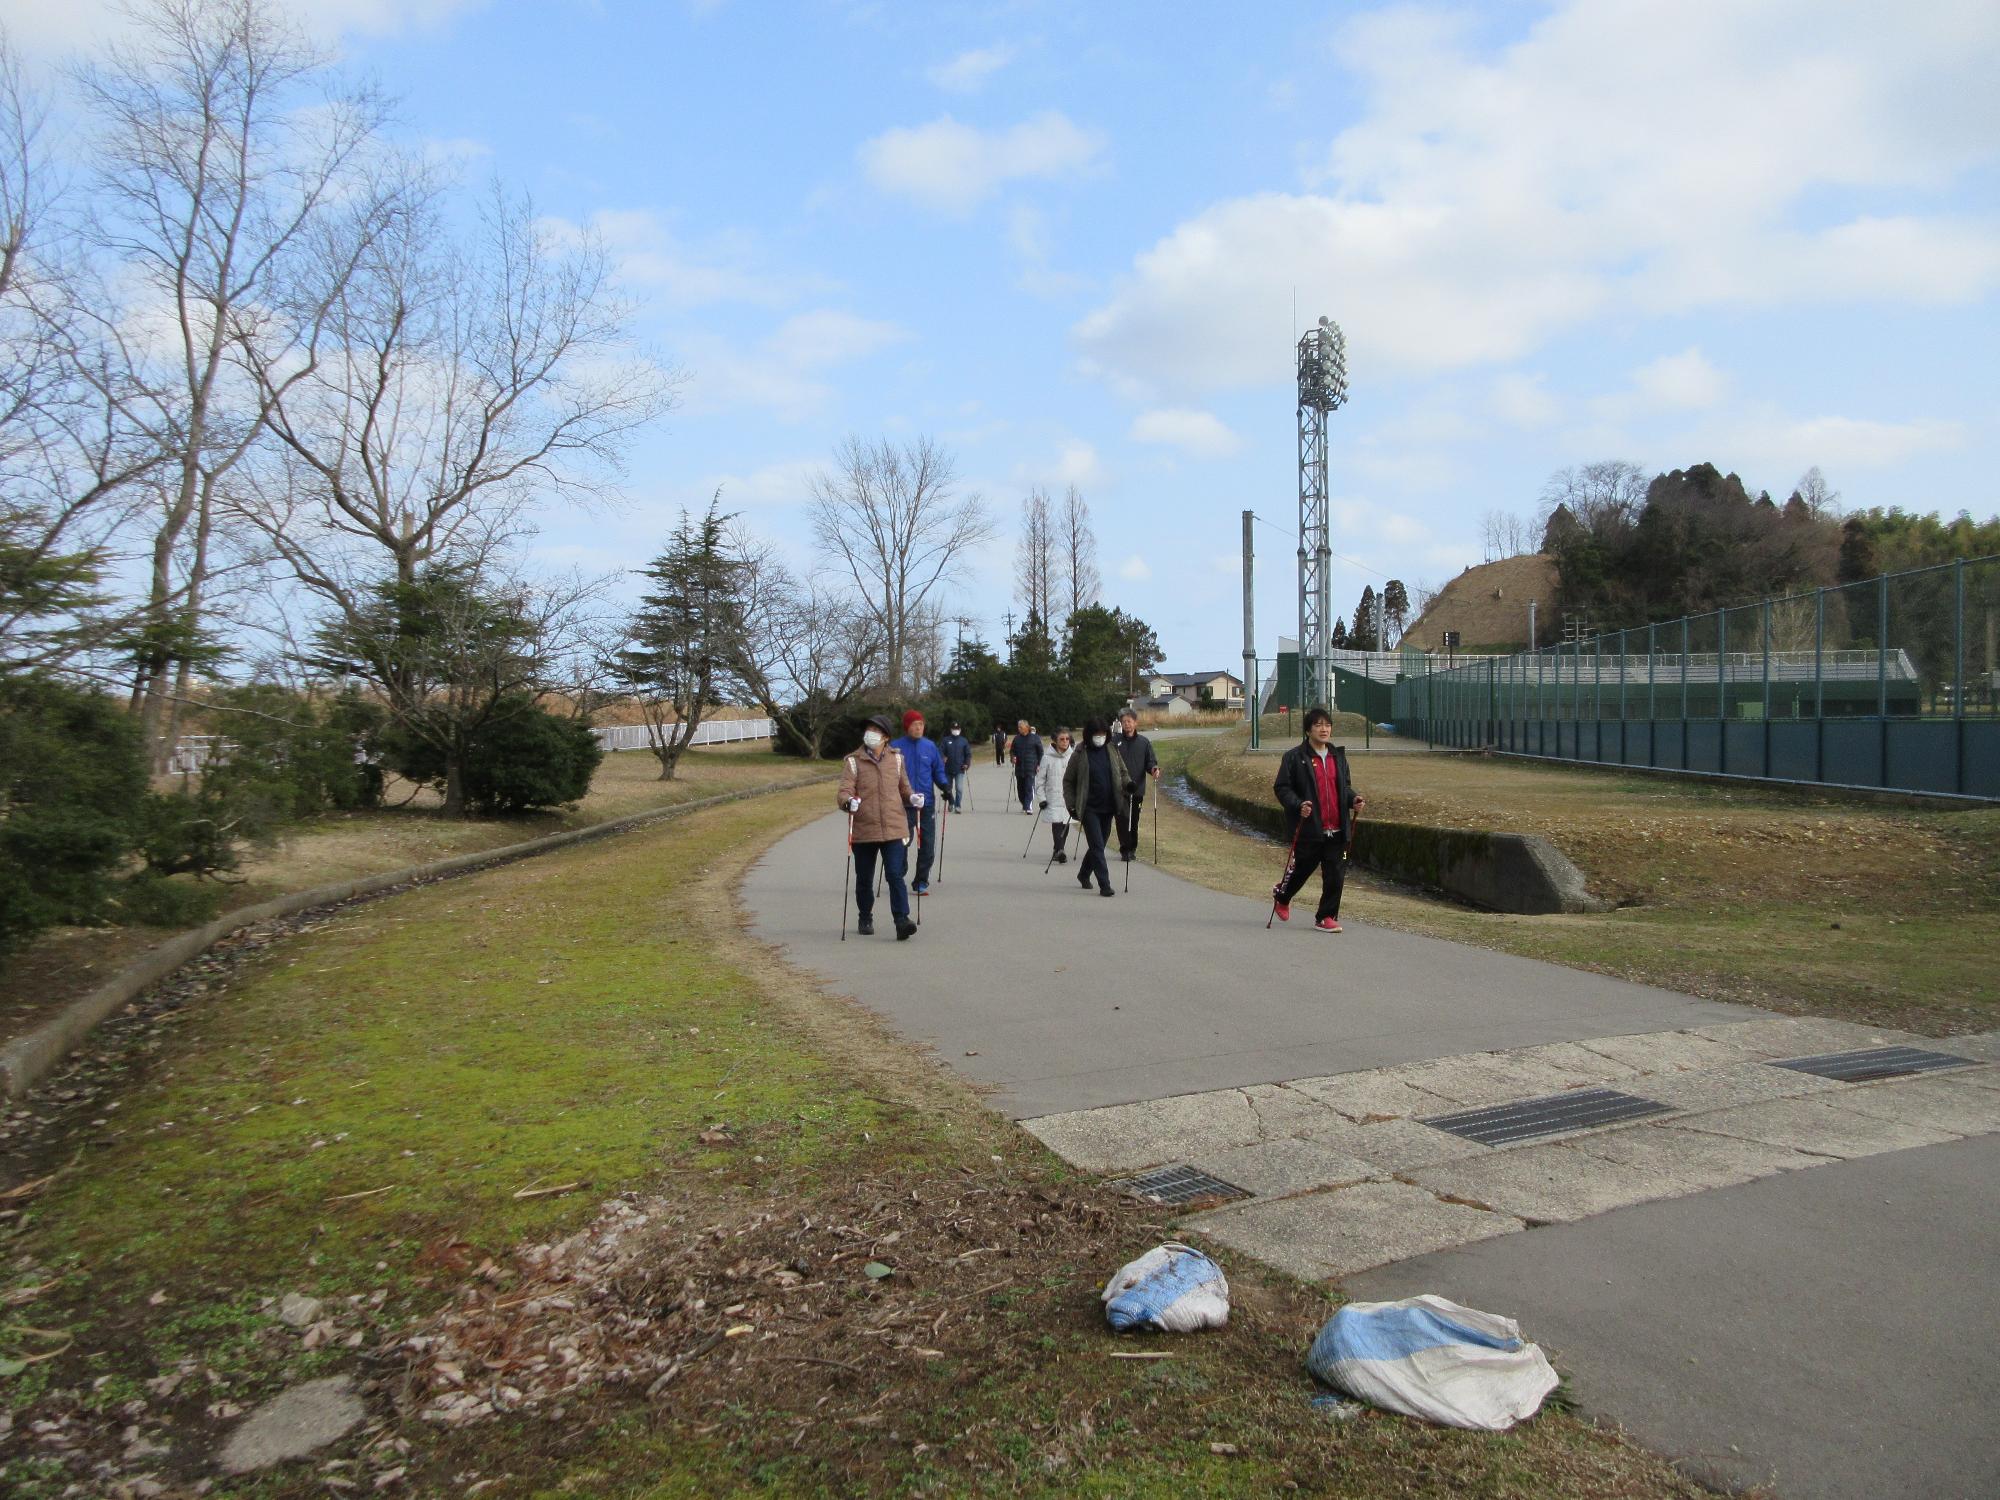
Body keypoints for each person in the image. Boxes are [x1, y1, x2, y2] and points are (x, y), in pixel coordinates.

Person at [1271, 705, 1365, 932]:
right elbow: (1282, 788)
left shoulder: (1338, 756)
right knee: (1302, 869)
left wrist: (1353, 800)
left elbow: (1344, 788)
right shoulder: (1294, 757)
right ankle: (1282, 897)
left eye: (1327, 725)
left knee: (1335, 875)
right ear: (1308, 730)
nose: (1324, 729)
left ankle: (1326, 917)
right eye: (1318, 725)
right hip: (1310, 828)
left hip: (1337, 829)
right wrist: (1298, 804)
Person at [838, 713, 924, 940]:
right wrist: (849, 802)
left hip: (894, 827)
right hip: (865, 829)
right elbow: (844, 791)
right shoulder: (853, 762)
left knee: (895, 874)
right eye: (868, 730)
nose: (871, 735)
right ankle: (865, 915)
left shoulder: (896, 759)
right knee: (864, 878)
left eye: (876, 731)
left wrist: (914, 798)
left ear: (886, 737)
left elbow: (905, 788)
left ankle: (901, 920)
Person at [1063, 715, 1133, 897]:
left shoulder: (1111, 750)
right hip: (1089, 808)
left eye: (1103, 733)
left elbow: (1123, 773)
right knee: (1096, 844)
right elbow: (1068, 781)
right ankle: (1105, 884)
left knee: (1099, 845)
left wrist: (1129, 784)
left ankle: (1084, 873)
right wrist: (1070, 804)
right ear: (1089, 735)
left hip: (1109, 806)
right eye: (1097, 734)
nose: (1100, 737)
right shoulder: (1080, 753)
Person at [891, 710, 951, 894]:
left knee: (927, 844)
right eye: (915, 724)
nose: (919, 727)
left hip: (926, 803)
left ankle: (921, 881)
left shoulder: (930, 746)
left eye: (921, 724)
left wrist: (945, 786)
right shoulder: (896, 746)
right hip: (903, 803)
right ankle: (898, 875)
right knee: (902, 842)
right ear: (907, 726)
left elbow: (938, 770)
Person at [1111, 706, 1160, 862]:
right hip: (1119, 789)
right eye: (1124, 722)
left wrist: (1154, 769)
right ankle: (1124, 849)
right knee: (1122, 820)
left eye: (1129, 721)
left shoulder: (1144, 742)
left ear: (1135, 723)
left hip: (1137, 789)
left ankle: (1132, 848)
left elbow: (1150, 762)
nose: (1127, 724)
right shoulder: (1114, 741)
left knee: (1134, 820)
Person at [1036, 727, 1076, 862]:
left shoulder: (1073, 756)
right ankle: (1060, 850)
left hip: (1068, 798)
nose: (1065, 742)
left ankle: (1058, 849)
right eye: (1062, 739)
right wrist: (1041, 798)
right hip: (1052, 797)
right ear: (1055, 740)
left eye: (1067, 739)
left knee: (1065, 823)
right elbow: (1040, 780)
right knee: (1057, 824)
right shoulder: (1047, 758)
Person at [1009, 718, 1043, 814]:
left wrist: (1039, 764)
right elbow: (1012, 751)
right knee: (1020, 789)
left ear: (1027, 727)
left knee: (1029, 786)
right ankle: (1024, 804)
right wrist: (1013, 757)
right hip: (1019, 767)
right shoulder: (1017, 738)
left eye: (1021, 727)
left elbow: (1040, 752)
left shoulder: (1035, 738)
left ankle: (1028, 807)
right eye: (1018, 727)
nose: (1019, 729)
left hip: (1031, 767)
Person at [938, 720, 972, 813]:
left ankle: (958, 805)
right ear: (951, 729)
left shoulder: (964, 741)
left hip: (960, 768)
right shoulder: (946, 740)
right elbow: (940, 751)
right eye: (954, 729)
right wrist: (942, 757)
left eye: (957, 729)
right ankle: (951, 802)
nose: (955, 730)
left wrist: (967, 764)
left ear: (960, 730)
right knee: (947, 788)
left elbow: (968, 754)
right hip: (947, 768)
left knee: (959, 789)